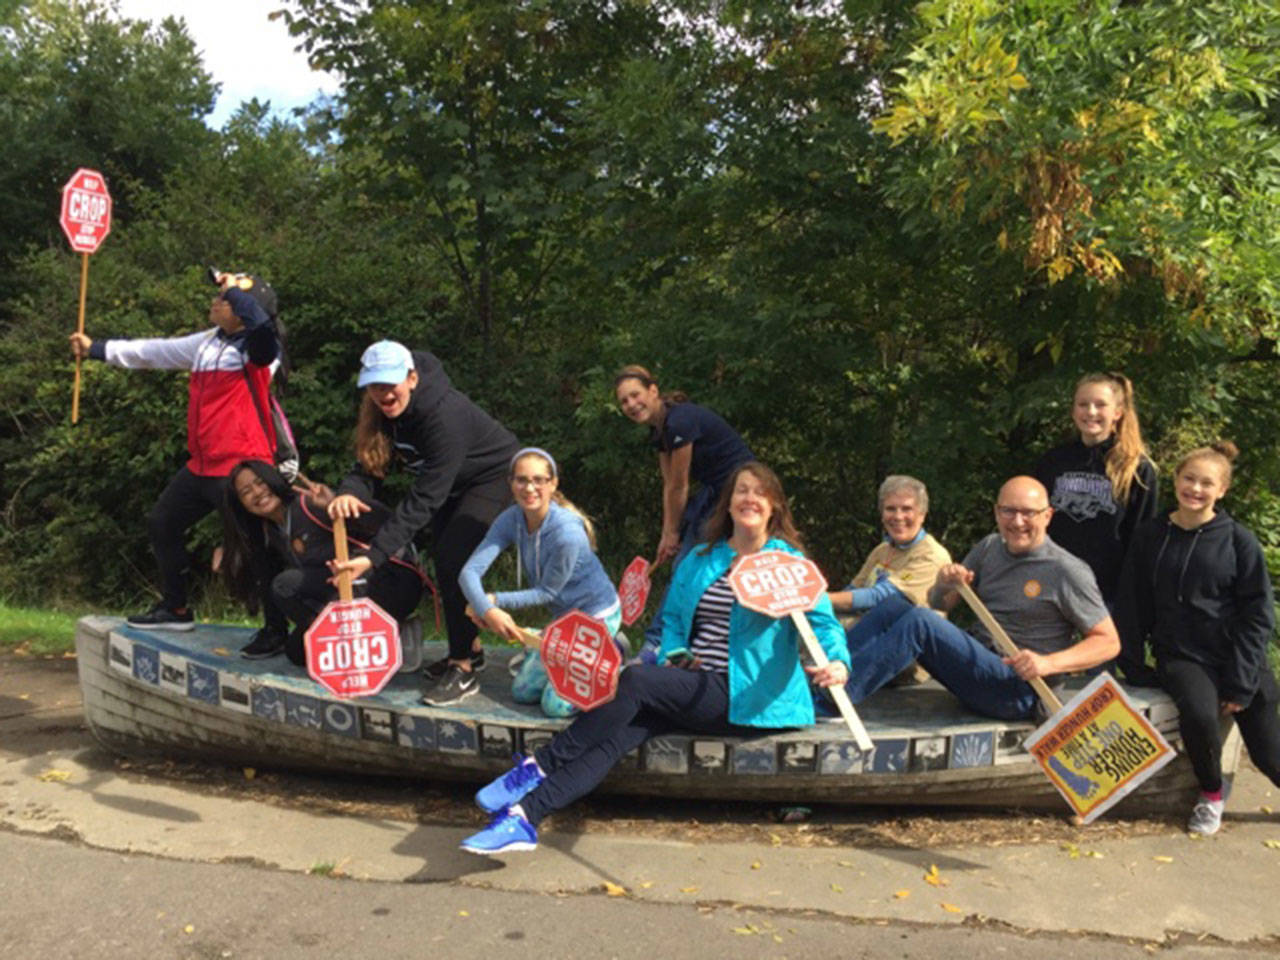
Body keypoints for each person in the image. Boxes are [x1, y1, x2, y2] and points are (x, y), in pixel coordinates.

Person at [459, 461, 851, 855]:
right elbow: (675, 623)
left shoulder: (790, 566)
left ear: (775, 506)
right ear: (728, 504)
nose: (750, 498)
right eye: (742, 490)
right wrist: (677, 656)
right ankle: (525, 817)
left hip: (752, 696)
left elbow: (826, 626)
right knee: (614, 738)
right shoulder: (702, 559)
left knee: (634, 680)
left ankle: (538, 765)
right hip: (698, 687)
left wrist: (838, 663)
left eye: (760, 492)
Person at [69, 272, 282, 630]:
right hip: (202, 465)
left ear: (246, 310)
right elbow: (155, 352)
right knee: (162, 522)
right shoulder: (208, 343)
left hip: (241, 466)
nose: (216, 301)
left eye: (225, 300)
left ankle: (276, 629)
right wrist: (96, 349)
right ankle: (176, 608)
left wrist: (235, 289)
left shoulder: (260, 350)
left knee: (255, 549)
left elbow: (263, 330)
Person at [327, 341, 520, 706]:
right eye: (374, 386)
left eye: (390, 383)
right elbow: (369, 465)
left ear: (411, 378)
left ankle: (463, 669)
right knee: (446, 563)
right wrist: (349, 491)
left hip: (493, 478)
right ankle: (470, 649)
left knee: (454, 560)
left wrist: (376, 554)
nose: (384, 394)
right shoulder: (382, 413)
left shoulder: (443, 417)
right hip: (455, 485)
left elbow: (425, 499)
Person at [842, 477, 1119, 721]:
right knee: (896, 606)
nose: (1017, 521)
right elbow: (942, 604)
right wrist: (943, 584)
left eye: (1028, 513)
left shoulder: (1066, 570)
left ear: (1047, 516)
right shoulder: (989, 547)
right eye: (1008, 511)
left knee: (920, 623)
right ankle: (831, 673)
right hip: (980, 665)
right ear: (997, 513)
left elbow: (1108, 642)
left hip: (1020, 689)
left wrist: (1049, 663)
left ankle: (834, 701)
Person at [1116, 442, 1278, 836]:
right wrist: (1134, 663)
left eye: (1207, 483)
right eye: (1189, 478)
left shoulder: (1238, 541)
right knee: (1201, 716)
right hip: (1183, 655)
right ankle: (1210, 795)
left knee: (1269, 754)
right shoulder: (1150, 535)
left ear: (1222, 490)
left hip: (1237, 656)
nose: (1196, 489)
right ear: (1176, 480)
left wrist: (1240, 682)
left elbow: (1257, 615)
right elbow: (1132, 601)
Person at [459, 447, 623, 718]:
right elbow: (469, 572)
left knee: (555, 707)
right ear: (511, 483)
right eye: (521, 479)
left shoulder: (567, 533)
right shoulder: (511, 518)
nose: (529, 488)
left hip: (596, 618)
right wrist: (487, 609)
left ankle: (614, 656)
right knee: (522, 693)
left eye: (539, 480)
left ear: (553, 483)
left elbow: (546, 593)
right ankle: (549, 641)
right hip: (563, 619)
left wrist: (494, 601)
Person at [220, 460, 427, 665]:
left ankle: (392, 636)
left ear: (273, 479)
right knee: (297, 651)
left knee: (285, 585)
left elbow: (385, 520)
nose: (257, 492)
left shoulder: (309, 504)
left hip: (391, 579)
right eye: (246, 491)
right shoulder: (272, 530)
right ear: (240, 504)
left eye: (260, 482)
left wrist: (335, 504)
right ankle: (356, 642)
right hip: (344, 588)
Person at [613, 364, 755, 659]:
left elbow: (680, 485)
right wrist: (669, 534)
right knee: (684, 559)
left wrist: (673, 533)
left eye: (635, 395)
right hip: (714, 492)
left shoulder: (680, 420)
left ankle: (658, 644)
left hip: (739, 492)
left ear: (653, 391)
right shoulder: (660, 431)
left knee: (686, 565)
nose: (630, 404)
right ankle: (672, 641)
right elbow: (669, 486)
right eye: (624, 401)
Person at [1034, 372, 1158, 605]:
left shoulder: (1136, 468)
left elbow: (1141, 538)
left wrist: (1131, 593)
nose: (1091, 412)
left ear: (1117, 413)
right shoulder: (1052, 461)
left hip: (1106, 593)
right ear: (1073, 410)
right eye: (1083, 404)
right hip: (1052, 583)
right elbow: (1035, 521)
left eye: (1100, 405)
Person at [828, 475, 951, 670]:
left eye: (907, 509)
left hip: (901, 656)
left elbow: (880, 598)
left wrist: (818, 600)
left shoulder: (931, 555)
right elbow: (853, 588)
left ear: (922, 514)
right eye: (890, 509)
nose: (898, 516)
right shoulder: (882, 550)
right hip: (863, 634)